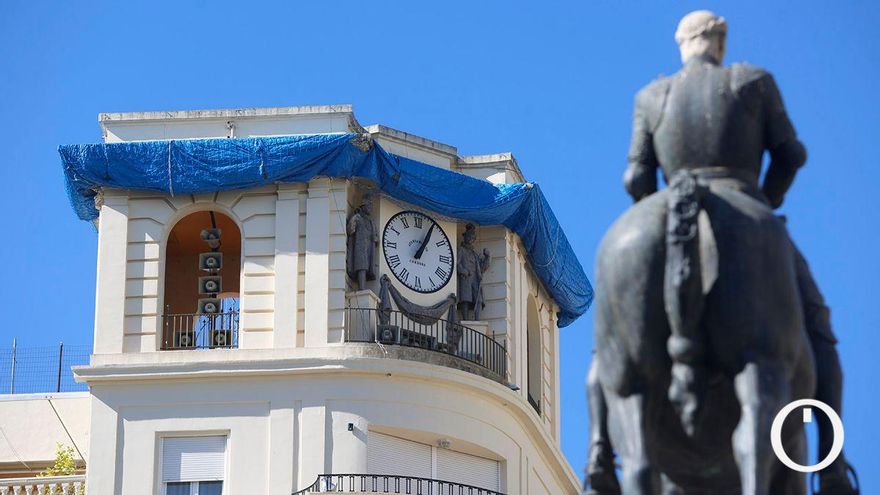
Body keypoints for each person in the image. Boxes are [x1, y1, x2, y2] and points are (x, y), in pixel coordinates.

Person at [587, 10, 856, 495]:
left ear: (682, 45)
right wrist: (763, 203)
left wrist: (658, 210)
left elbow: (636, 178)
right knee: (819, 331)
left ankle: (601, 450)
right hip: (748, 206)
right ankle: (832, 467)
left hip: (667, 205)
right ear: (720, 42)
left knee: (606, 347)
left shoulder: (652, 95)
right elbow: (791, 154)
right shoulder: (753, 81)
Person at [457, 224, 490, 321]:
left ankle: (477, 319)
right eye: (469, 237)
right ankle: (465, 319)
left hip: (475, 278)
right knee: (465, 298)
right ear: (465, 237)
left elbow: (482, 267)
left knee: (478, 299)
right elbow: (456, 263)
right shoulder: (461, 250)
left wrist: (487, 257)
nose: (470, 239)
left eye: (472, 238)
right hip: (466, 277)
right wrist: (463, 271)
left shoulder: (475, 254)